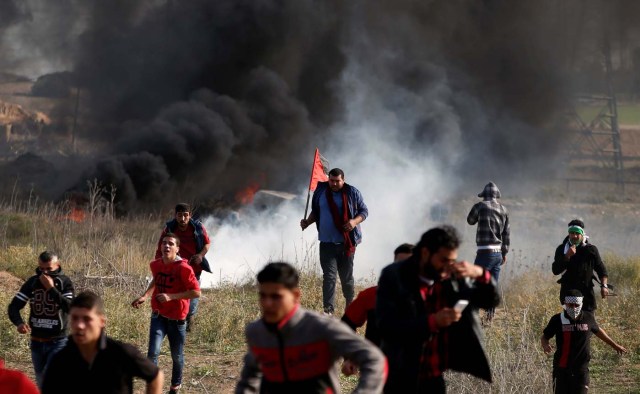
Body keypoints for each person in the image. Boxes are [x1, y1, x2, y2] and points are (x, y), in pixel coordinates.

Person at [376, 226, 500, 393]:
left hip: (433, 377)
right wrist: (432, 322)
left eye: (452, 261)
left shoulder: (452, 276)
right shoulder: (394, 276)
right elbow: (387, 326)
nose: (447, 267)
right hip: (400, 376)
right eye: (443, 260)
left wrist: (480, 274)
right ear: (426, 253)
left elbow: (489, 301)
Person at [235, 262, 386, 394]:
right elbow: (250, 377)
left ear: (295, 295)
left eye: (276, 297)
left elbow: (374, 360)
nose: (267, 303)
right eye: (263, 296)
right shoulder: (256, 332)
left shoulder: (322, 327)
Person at [42, 291, 164, 394]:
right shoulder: (61, 360)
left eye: (87, 319)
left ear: (101, 321)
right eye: (75, 318)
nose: (79, 325)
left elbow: (155, 376)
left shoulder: (120, 353)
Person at [132, 233, 201, 394]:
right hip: (158, 316)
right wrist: (145, 295)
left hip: (177, 319)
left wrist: (171, 297)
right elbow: (156, 279)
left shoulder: (184, 268)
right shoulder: (156, 264)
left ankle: (175, 386)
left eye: (170, 244)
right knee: (152, 353)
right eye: (164, 243)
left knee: (176, 356)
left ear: (177, 249)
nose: (166, 246)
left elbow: (196, 292)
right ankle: (153, 388)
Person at [300, 168, 369, 315]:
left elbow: (364, 211)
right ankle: (328, 311)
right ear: (328, 179)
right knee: (329, 276)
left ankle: (349, 304)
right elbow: (316, 211)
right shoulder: (321, 192)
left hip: (346, 243)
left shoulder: (352, 192)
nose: (334, 184)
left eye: (337, 181)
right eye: (331, 180)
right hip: (326, 243)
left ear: (343, 180)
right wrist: (307, 222)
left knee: (346, 278)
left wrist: (354, 222)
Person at [340, 243, 414, 376]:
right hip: (375, 370)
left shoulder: (432, 297)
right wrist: (351, 356)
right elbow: (346, 324)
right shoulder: (372, 295)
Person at [7, 251, 74, 388]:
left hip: (58, 342)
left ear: (57, 265)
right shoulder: (32, 282)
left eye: (49, 269)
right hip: (36, 342)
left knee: (53, 379)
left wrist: (50, 288)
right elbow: (14, 307)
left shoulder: (64, 282)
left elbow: (71, 308)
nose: (45, 272)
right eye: (41, 268)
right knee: (42, 382)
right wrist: (19, 323)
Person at [541, 289, 626, 393]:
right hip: (561, 369)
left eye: (576, 305)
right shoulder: (557, 319)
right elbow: (545, 337)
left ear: (581, 304)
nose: (573, 308)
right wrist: (545, 345)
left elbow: (598, 331)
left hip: (581, 370)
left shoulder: (588, 318)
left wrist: (615, 345)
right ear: (565, 304)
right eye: (570, 305)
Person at [154, 203, 211, 331]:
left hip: (194, 270)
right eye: (180, 215)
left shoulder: (198, 228)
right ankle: (179, 323)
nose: (183, 219)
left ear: (190, 215)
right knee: (177, 298)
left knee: (192, 301)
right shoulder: (169, 229)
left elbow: (207, 243)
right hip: (175, 269)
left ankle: (189, 317)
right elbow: (160, 248)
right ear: (175, 216)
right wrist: (159, 265)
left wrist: (200, 256)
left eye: (186, 215)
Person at [467, 182, 509, 321]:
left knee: (476, 284)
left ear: (484, 195)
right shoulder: (504, 209)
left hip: (484, 253)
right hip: (497, 253)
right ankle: (490, 316)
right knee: (493, 285)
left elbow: (470, 221)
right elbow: (506, 234)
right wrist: (504, 253)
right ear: (497, 196)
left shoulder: (479, 206)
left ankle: (473, 315)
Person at [552, 219, 609, 312]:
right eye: (571, 233)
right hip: (568, 293)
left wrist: (604, 286)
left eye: (577, 233)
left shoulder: (591, 250)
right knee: (571, 320)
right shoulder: (562, 249)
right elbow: (555, 270)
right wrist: (567, 256)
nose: (574, 236)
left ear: (582, 234)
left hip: (586, 294)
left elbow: (601, 270)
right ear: (568, 234)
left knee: (588, 323)